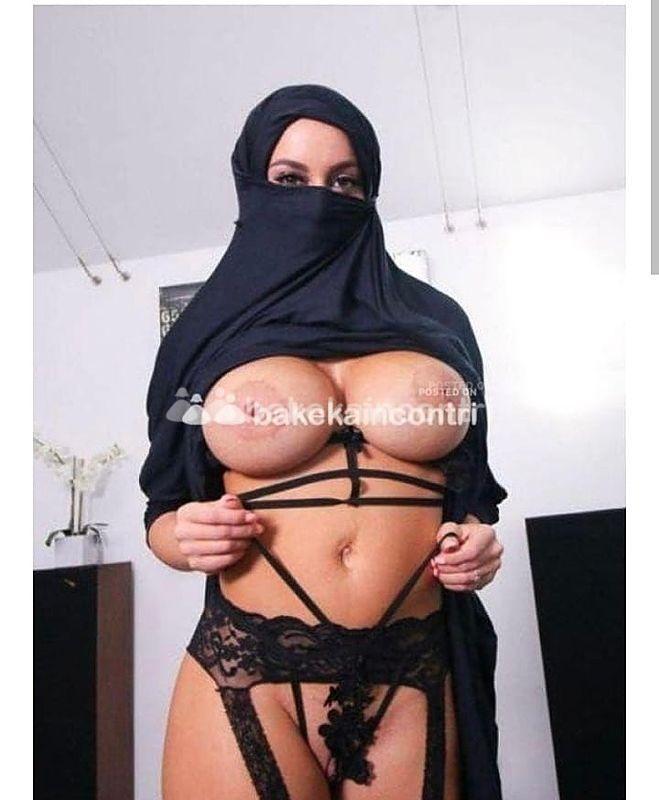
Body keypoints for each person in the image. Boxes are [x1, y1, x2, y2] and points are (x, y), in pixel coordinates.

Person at [139, 84, 507, 800]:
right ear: (253, 186)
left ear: (369, 190)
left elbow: (473, 494)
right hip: (249, 666)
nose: (320, 199)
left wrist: (478, 544)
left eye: (344, 182)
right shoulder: (201, 333)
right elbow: (163, 511)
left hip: (413, 668)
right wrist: (182, 537)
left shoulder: (440, 322)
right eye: (290, 180)